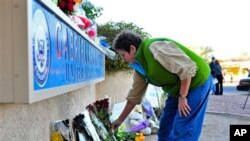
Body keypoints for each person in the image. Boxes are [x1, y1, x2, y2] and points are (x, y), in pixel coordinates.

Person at [111, 30, 212, 141]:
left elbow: (186, 69)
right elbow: (134, 97)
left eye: (123, 55)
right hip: (176, 88)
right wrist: (119, 120)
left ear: (132, 49)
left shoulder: (155, 48)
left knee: (183, 127)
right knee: (165, 127)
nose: (123, 59)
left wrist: (183, 97)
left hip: (196, 81)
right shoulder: (139, 68)